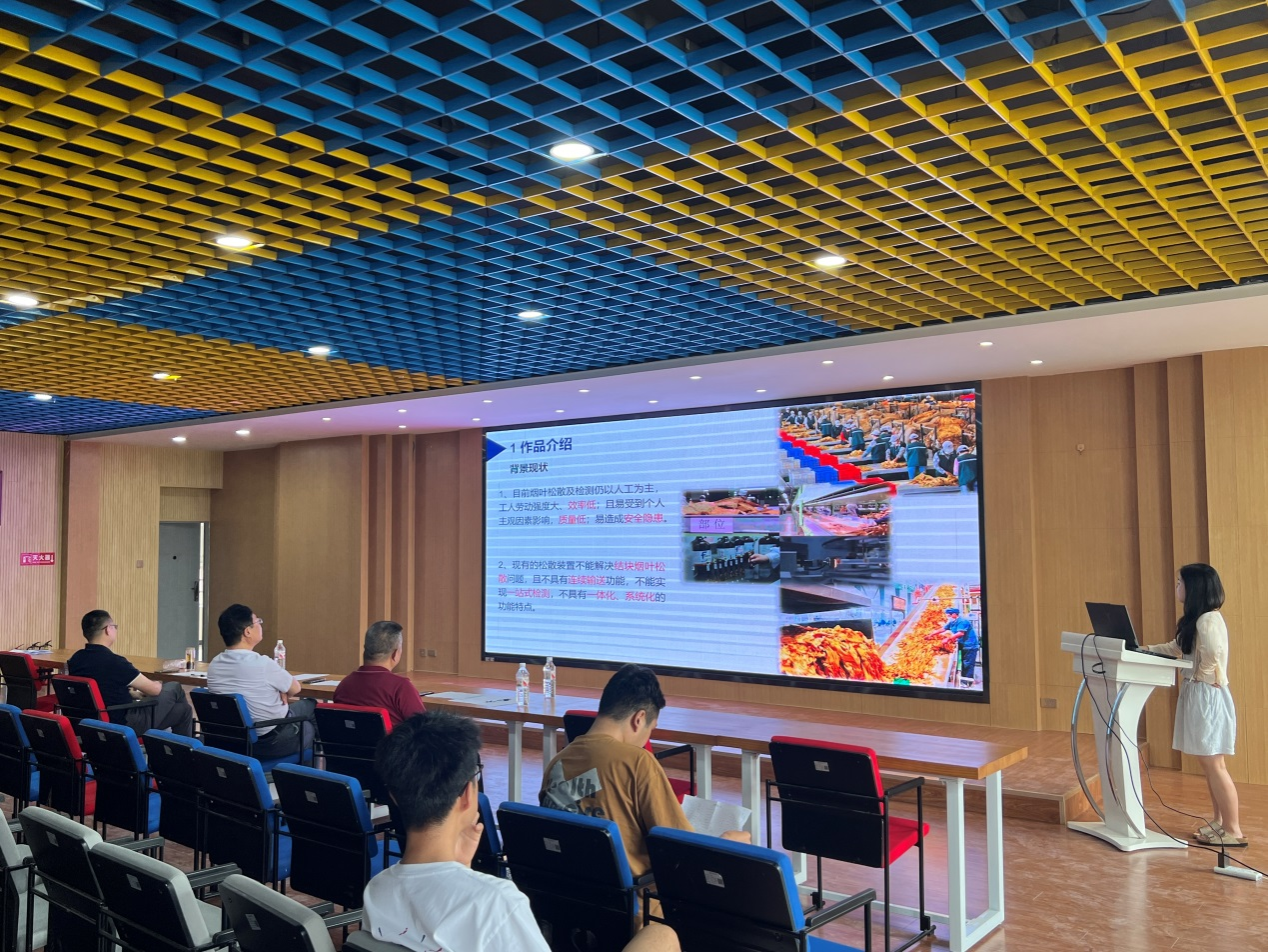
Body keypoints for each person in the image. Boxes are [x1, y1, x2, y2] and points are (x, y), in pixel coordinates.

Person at [363, 711, 680, 952]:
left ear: (394, 796)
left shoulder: (376, 891)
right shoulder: (496, 901)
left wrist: (459, 869)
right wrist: (465, 878)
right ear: (468, 795)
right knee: (662, 934)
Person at [540, 664, 747, 879]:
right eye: (651, 729)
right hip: (637, 896)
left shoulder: (557, 763)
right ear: (639, 719)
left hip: (568, 889)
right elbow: (682, 851)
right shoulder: (637, 761)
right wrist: (725, 843)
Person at [1144, 564, 1243, 847]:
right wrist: (1146, 649)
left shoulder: (1208, 620)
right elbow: (1177, 648)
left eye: (1180, 582)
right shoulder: (1198, 619)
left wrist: (1200, 675)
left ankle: (1233, 829)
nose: (1177, 587)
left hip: (1206, 695)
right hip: (1199, 692)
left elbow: (1213, 652)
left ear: (1195, 587)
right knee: (1209, 764)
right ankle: (1219, 822)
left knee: (1215, 764)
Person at [206, 604, 314, 760]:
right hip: (269, 742)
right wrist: (282, 690)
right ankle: (321, 772)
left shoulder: (214, 664)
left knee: (305, 708)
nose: (260, 625)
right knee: (311, 712)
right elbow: (295, 689)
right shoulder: (262, 663)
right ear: (247, 631)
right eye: (258, 621)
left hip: (232, 740)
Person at [68, 610, 194, 736]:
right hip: (123, 722)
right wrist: (156, 684)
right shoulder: (115, 662)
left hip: (89, 721)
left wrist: (132, 693)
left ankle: (179, 746)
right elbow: (154, 690)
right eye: (115, 627)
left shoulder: (76, 659)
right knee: (174, 686)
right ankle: (174, 745)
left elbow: (100, 688)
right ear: (108, 629)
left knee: (184, 710)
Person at [333, 620, 425, 728]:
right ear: (395, 654)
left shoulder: (344, 685)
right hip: (391, 739)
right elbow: (424, 728)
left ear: (365, 650)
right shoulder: (400, 687)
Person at [939, 607, 979, 687]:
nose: (948, 616)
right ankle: (964, 680)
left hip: (970, 646)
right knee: (964, 664)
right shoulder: (953, 622)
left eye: (949, 614)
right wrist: (931, 634)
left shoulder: (962, 621)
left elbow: (961, 633)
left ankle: (967, 683)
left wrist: (948, 639)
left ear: (954, 614)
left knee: (967, 664)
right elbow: (943, 629)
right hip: (963, 644)